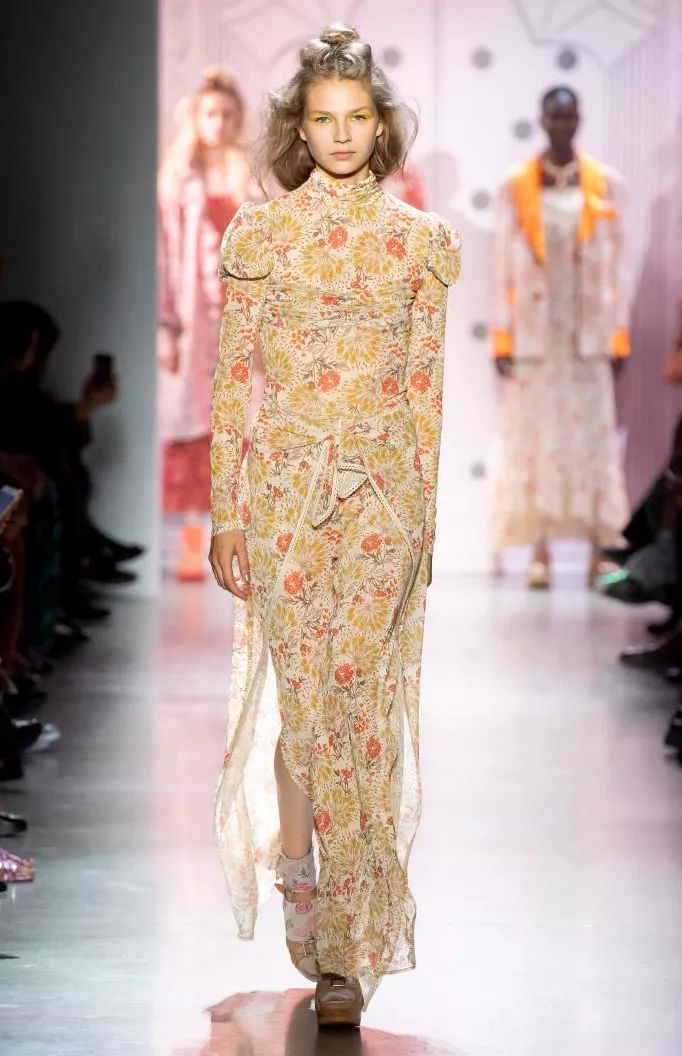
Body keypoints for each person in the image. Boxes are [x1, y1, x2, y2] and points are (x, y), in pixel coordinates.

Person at [208, 24, 460, 1027]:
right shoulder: (261, 237)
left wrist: (424, 520)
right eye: (324, 119)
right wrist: (226, 512)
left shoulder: (420, 244)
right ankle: (301, 883)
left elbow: (424, 392)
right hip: (283, 497)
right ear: (300, 130)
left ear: (380, 127)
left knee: (358, 706)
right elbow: (233, 384)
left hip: (383, 500)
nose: (343, 134)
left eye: (358, 117)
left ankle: (347, 951)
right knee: (306, 709)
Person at [490, 86, 630, 589]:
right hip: (536, 333)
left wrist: (618, 334)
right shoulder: (516, 185)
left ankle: (599, 550)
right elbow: (501, 265)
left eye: (570, 116)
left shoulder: (605, 183)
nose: (563, 124)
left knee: (592, 438)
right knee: (537, 439)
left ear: (580, 119)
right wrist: (502, 338)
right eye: (555, 116)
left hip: (587, 331)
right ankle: (540, 551)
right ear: (542, 120)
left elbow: (619, 264)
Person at [158, 69, 261, 581]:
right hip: (194, 317)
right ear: (196, 118)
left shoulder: (251, 178)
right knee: (193, 425)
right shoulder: (178, 180)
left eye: (227, 115)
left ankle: (245, 543)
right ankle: (190, 544)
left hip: (244, 315)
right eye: (210, 114)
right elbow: (163, 254)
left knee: (243, 424)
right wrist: (165, 322)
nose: (218, 123)